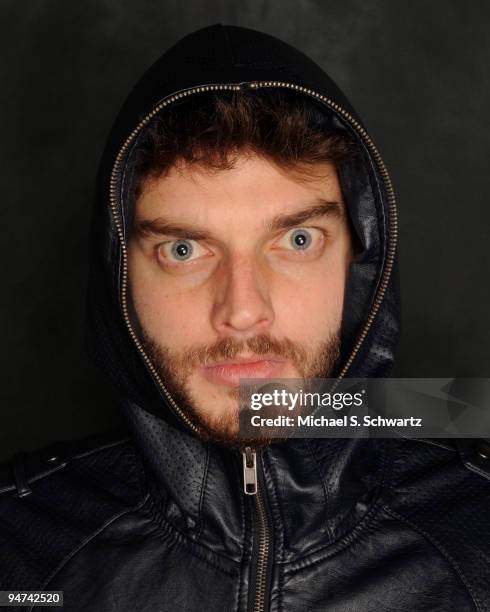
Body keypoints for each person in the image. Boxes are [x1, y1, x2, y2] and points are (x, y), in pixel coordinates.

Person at [1, 24, 489, 612]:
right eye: (183, 250)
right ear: (120, 277)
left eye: (299, 239)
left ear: (360, 265)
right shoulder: (19, 551)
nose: (243, 311)